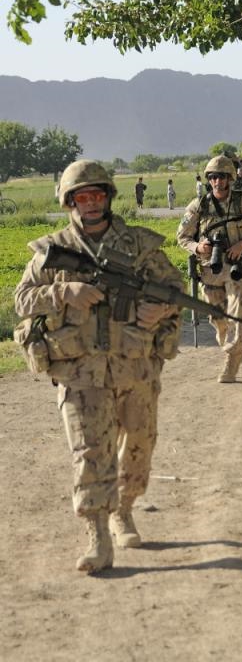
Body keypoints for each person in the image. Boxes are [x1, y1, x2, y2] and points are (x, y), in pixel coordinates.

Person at [14, 160, 184, 574]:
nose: (90, 203)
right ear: (69, 202)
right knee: (90, 451)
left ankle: (123, 509)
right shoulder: (53, 251)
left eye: (97, 195)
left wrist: (160, 309)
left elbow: (175, 288)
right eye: (82, 196)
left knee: (139, 445)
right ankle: (97, 536)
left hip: (135, 366)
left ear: (108, 198)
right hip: (80, 372)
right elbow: (22, 300)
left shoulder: (138, 245)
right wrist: (63, 291)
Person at [177, 155, 242, 383]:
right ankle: (227, 339)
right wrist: (198, 247)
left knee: (238, 310)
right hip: (211, 268)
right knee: (218, 319)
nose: (217, 182)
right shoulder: (199, 206)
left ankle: (232, 359)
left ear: (230, 178)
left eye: (222, 177)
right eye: (213, 177)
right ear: (209, 180)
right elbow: (182, 237)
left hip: (237, 266)